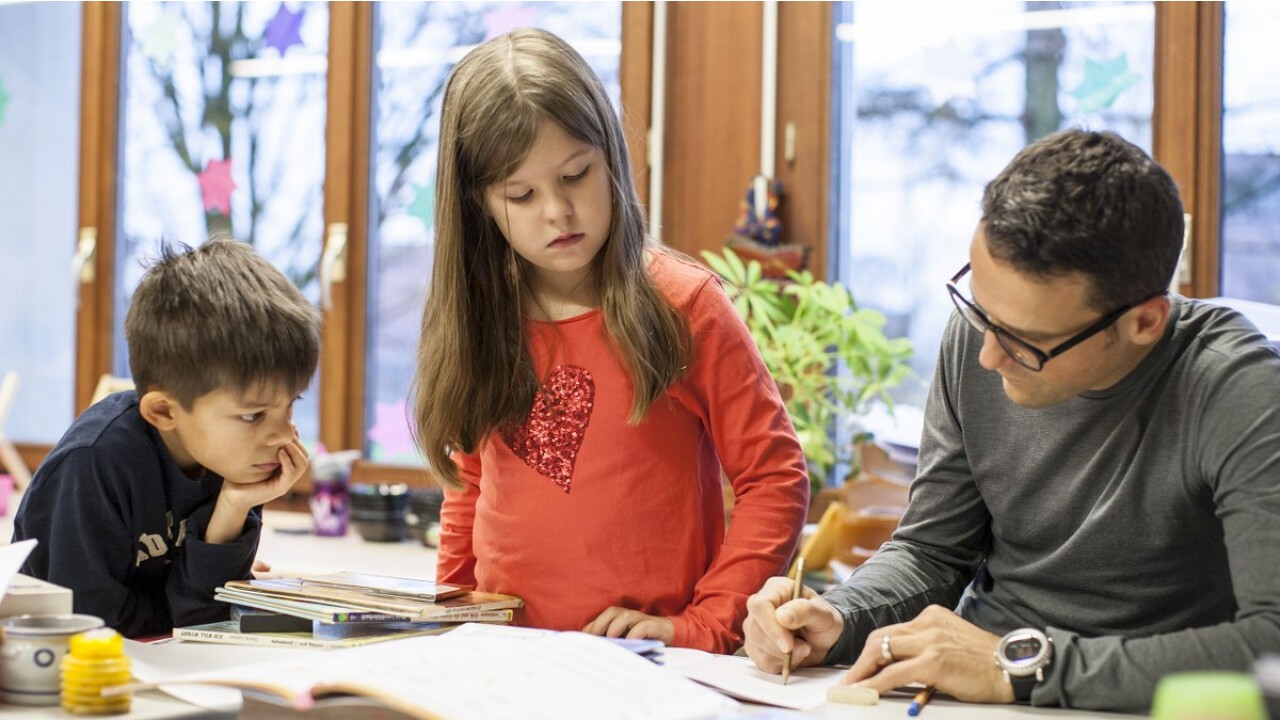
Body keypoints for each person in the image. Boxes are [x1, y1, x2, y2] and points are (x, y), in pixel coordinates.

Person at [743, 129, 1280, 711]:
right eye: (981, 311)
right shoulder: (981, 335)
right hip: (964, 694)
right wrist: (840, 616)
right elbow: (932, 550)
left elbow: (1271, 645)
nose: (988, 356)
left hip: (1127, 701)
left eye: (1027, 342)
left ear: (1144, 323)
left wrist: (1018, 665)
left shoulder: (1239, 391)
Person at [412, 28, 809, 654]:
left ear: (612, 157)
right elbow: (469, 490)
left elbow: (776, 478)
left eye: (576, 175)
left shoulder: (686, 306)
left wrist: (707, 624)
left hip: (650, 667)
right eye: (522, 194)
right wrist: (449, 618)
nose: (558, 212)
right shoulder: (479, 321)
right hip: (503, 662)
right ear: (479, 205)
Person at [13, 240, 319, 638]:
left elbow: (203, 617)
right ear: (164, 412)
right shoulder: (92, 464)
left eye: (289, 406)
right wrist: (195, 597)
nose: (281, 435)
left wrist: (234, 506)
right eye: (252, 414)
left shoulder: (232, 460)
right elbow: (94, 628)